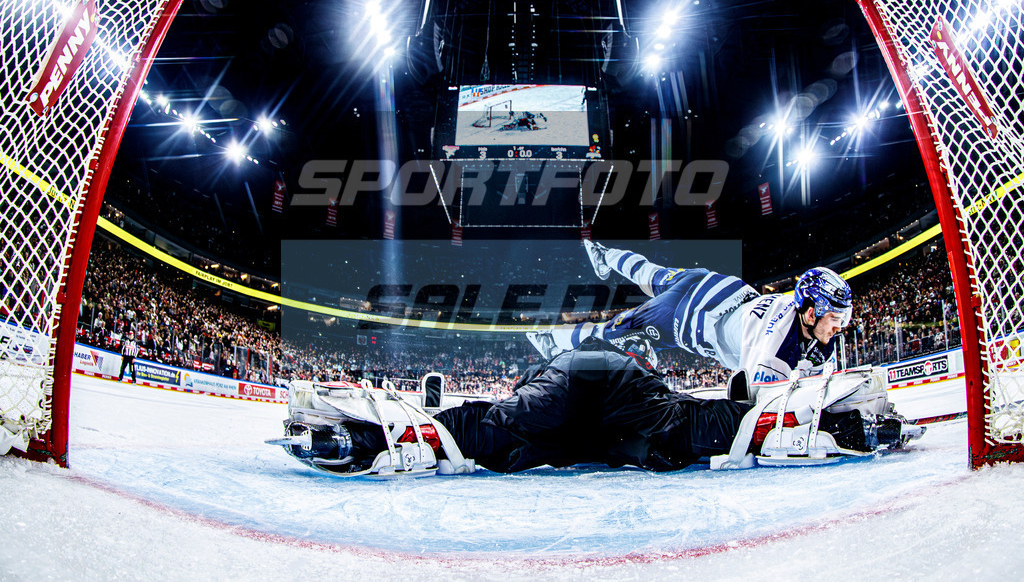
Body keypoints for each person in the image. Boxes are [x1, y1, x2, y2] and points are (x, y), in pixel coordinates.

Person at [272, 336, 913, 476]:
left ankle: (364, 433)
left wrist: (444, 414)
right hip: (624, 409)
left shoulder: (545, 375)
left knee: (474, 429)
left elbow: (500, 417)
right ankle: (829, 416)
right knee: (704, 425)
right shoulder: (629, 365)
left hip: (565, 404)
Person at [525, 241, 853, 401]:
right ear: (811, 312)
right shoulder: (777, 341)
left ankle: (604, 254)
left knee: (649, 273)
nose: (841, 326)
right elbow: (756, 401)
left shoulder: (804, 322)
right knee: (611, 331)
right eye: (836, 318)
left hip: (714, 284)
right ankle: (550, 338)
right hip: (684, 315)